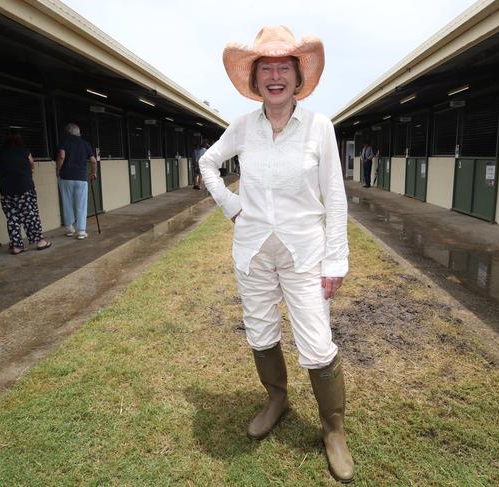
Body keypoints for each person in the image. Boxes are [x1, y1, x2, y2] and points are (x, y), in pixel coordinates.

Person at [199, 26, 353, 482]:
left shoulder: (319, 127)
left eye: (283, 67)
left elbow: (335, 196)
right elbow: (208, 161)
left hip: (305, 251)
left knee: (316, 341)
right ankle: (276, 398)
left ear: (297, 75)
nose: (275, 77)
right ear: (255, 78)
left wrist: (336, 260)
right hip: (252, 252)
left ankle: (334, 430)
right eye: (266, 68)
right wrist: (230, 205)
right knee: (261, 331)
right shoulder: (243, 127)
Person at [0, 131, 51, 255]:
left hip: (6, 190)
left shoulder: (0, 155)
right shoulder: (25, 151)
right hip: (24, 188)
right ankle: (40, 241)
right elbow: (31, 163)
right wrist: (29, 170)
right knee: (30, 214)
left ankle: (16, 246)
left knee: (12, 218)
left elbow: (0, 166)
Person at [56, 123, 97, 240]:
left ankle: (69, 229)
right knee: (81, 205)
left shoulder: (64, 142)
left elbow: (62, 156)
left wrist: (58, 170)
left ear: (68, 132)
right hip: (81, 178)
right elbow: (93, 161)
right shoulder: (85, 144)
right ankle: (81, 232)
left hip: (66, 177)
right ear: (78, 133)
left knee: (67, 201)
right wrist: (93, 173)